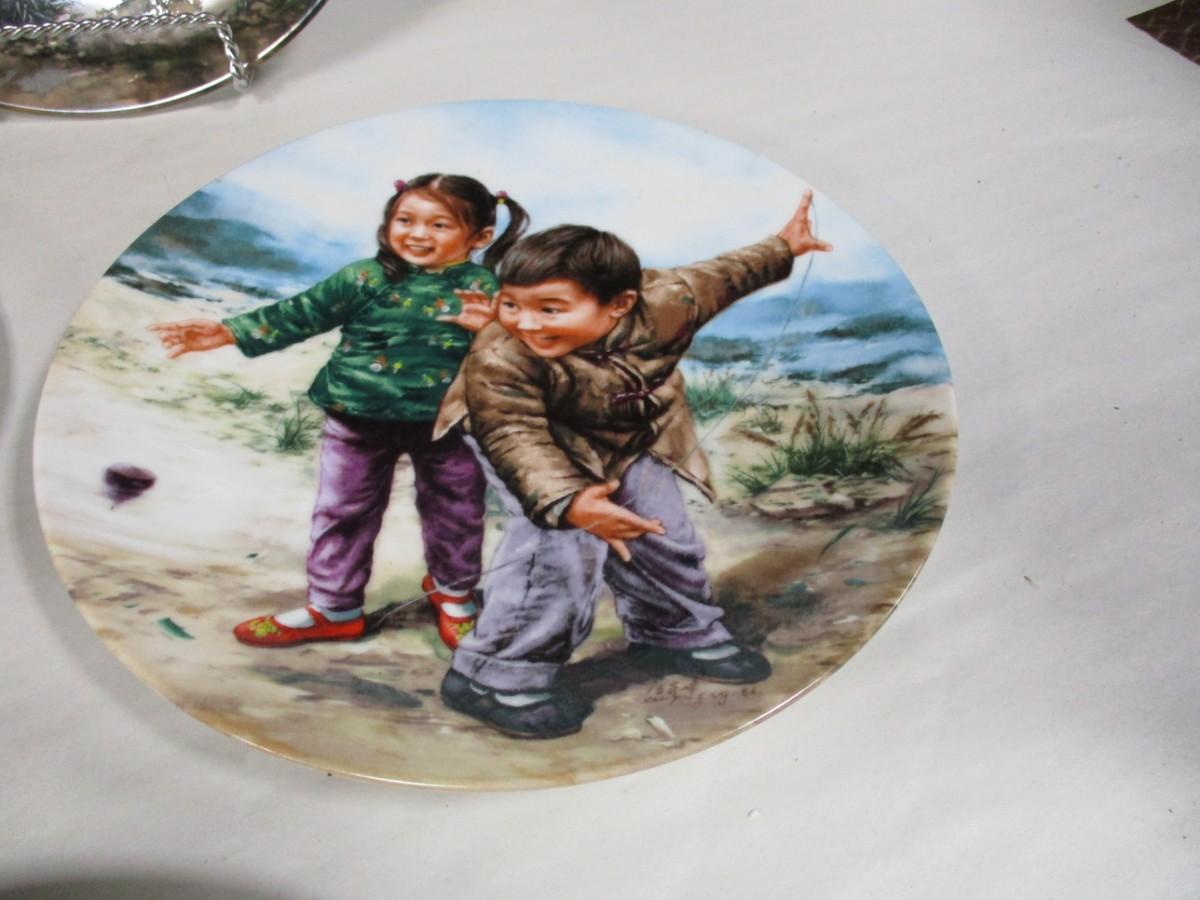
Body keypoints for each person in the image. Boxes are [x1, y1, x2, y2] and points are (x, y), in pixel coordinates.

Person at [432, 190, 832, 738]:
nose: (525, 322)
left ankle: (674, 633)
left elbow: (729, 273)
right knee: (558, 552)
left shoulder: (672, 299)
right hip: (529, 442)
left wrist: (785, 245)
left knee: (661, 530)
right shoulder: (501, 353)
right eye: (511, 304)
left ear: (619, 304)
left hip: (625, 436)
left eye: (550, 308)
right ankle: (493, 676)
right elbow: (512, 433)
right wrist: (571, 501)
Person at [149, 174, 528, 650]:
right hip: (355, 414)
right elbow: (302, 312)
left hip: (450, 422)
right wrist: (227, 332)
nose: (417, 234)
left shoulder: (488, 289)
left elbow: (526, 352)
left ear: (480, 237)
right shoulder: (365, 277)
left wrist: (492, 328)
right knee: (343, 512)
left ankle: (454, 594)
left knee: (457, 510)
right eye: (405, 220)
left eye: (439, 225)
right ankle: (334, 608)